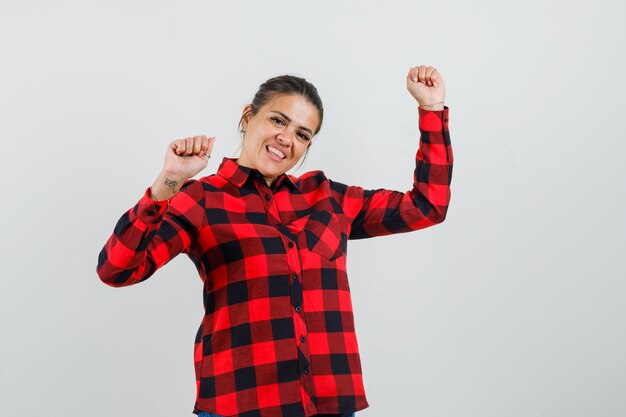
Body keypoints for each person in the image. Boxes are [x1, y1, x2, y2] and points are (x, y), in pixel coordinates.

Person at [96, 65, 453, 417]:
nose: (287, 138)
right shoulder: (201, 200)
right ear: (248, 117)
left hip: (331, 406)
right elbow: (117, 270)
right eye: (278, 121)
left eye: (302, 134)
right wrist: (168, 183)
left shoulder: (328, 198)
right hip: (241, 405)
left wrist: (432, 110)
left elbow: (427, 206)